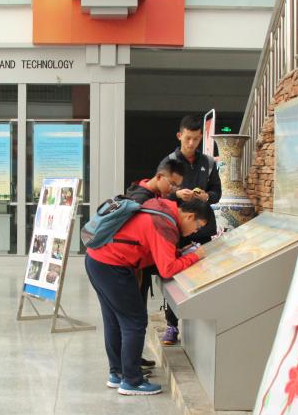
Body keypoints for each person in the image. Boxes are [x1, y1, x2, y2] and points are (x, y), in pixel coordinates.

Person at [85, 197, 212, 395]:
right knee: (134, 322)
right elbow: (167, 269)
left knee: (114, 320)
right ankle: (132, 381)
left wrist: (178, 253)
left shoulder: (160, 208)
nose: (195, 232)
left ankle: (118, 373)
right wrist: (195, 256)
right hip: (113, 266)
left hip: (96, 259)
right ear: (189, 216)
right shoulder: (165, 226)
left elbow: (149, 243)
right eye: (198, 226)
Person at [159, 115, 222, 346]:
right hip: (177, 230)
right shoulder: (169, 162)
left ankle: (201, 322)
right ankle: (172, 325)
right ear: (179, 136)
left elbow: (217, 193)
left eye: (196, 139)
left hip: (203, 229)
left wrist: (206, 196)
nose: (191, 143)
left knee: (204, 275)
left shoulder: (208, 162)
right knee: (175, 277)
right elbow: (159, 193)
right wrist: (177, 195)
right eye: (187, 138)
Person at [122, 159, 186, 369]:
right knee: (134, 320)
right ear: (159, 177)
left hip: (136, 267)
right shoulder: (142, 200)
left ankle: (132, 362)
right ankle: (130, 367)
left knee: (135, 318)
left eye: (177, 186)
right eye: (172, 184)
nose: (173, 189)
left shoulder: (144, 192)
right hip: (133, 268)